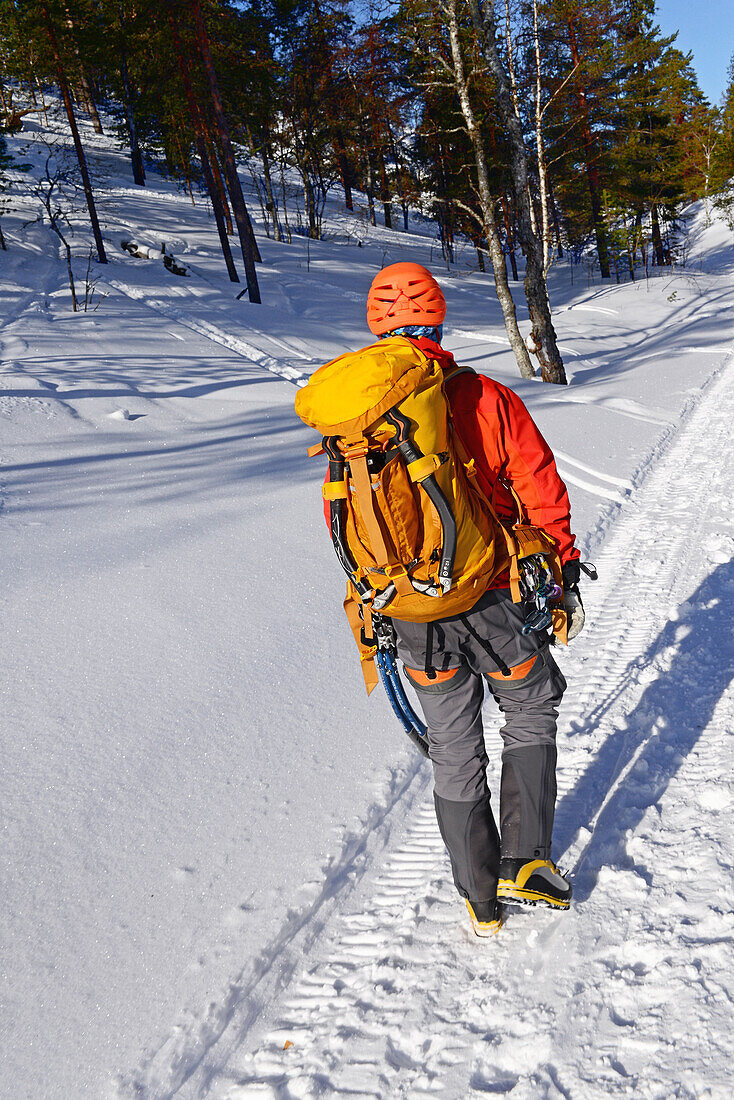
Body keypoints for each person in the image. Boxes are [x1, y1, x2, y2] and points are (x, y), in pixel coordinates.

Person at [363, 262, 586, 936]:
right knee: (529, 704)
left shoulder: (361, 416)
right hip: (494, 600)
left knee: (453, 746)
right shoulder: (484, 396)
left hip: (411, 614)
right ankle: (526, 860)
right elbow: (540, 486)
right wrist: (564, 571)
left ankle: (479, 897)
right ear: (438, 319)